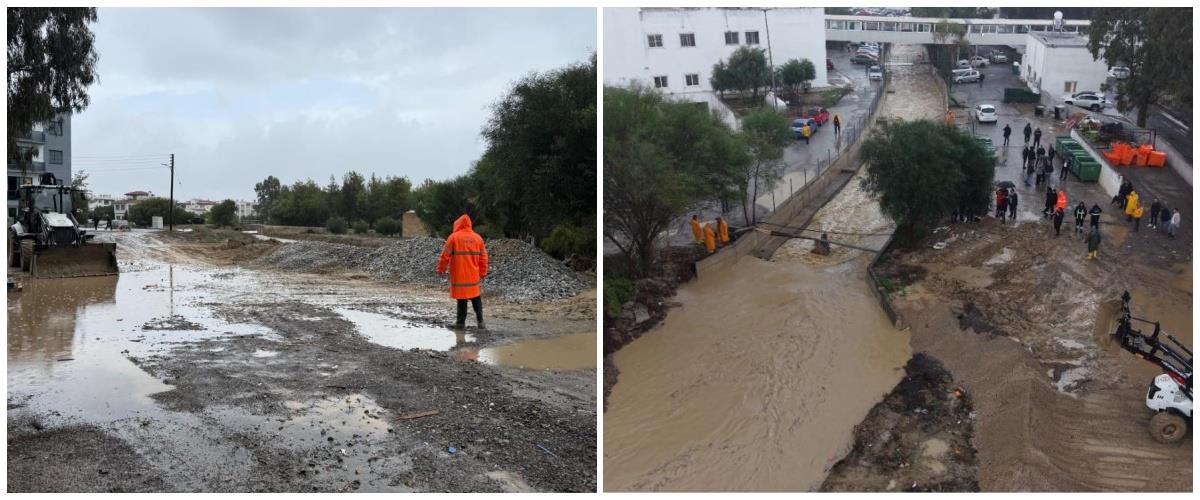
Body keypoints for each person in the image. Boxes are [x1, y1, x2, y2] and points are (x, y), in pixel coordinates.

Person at [436, 214, 489, 330]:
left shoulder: (453, 238)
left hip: (459, 276)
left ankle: (460, 323)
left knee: (462, 300)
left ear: (457, 224)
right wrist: (483, 272)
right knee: (476, 298)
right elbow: (484, 257)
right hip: (473, 276)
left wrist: (440, 269)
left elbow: (445, 256)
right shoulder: (478, 238)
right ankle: (480, 322)